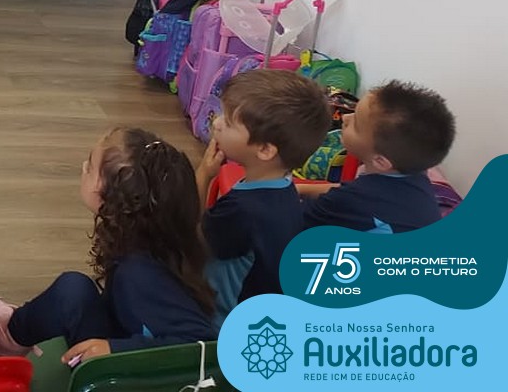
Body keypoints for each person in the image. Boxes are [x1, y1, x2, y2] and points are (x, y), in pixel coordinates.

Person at [0, 128, 216, 365]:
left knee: (71, 291)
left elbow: (200, 345)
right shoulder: (152, 240)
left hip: (127, 374)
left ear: (111, 197)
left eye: (90, 166)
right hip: (129, 340)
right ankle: (8, 335)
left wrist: (114, 349)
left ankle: (6, 337)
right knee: (73, 290)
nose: (84, 167)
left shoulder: (138, 273)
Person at [195, 69, 332, 321]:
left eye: (229, 122)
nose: (216, 123)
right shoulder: (284, 189)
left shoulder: (240, 210)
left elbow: (189, 242)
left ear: (266, 150)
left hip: (217, 321)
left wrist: (204, 173)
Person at [300, 80, 456, 233]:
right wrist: (301, 188)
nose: (345, 118)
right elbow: (345, 190)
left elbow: (293, 219)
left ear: (380, 161)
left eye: (356, 124)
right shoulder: (416, 175)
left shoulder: (352, 201)